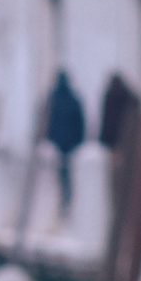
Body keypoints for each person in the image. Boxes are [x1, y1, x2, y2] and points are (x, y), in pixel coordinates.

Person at [44, 70, 85, 209]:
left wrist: (48, 139)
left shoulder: (52, 100)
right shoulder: (73, 100)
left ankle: (61, 203)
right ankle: (66, 201)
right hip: (70, 144)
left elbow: (47, 123)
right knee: (67, 175)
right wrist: (78, 141)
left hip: (57, 144)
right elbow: (79, 123)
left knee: (57, 175)